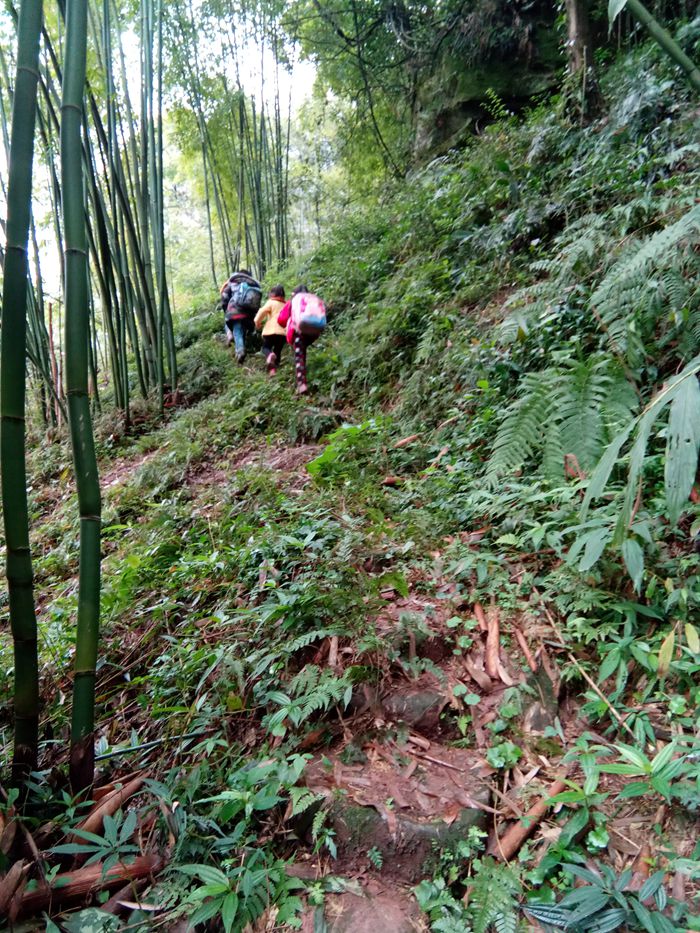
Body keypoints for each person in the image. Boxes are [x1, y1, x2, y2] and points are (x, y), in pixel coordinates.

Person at [278, 284, 326, 395]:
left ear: (294, 293)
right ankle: (303, 378)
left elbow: (282, 319)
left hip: (298, 331)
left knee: (299, 356)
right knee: (302, 352)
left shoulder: (293, 301)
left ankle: (302, 384)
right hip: (313, 333)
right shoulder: (313, 300)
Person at [219, 269, 262, 363]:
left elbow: (224, 296)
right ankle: (248, 345)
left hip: (235, 310)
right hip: (250, 313)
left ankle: (240, 350)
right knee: (243, 327)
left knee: (237, 329)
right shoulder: (253, 284)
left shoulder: (233, 282)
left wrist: (226, 309)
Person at [253, 285, 287, 376]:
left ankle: (270, 356)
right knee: (278, 351)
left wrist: (257, 323)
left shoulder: (271, 302)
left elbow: (261, 312)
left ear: (273, 294)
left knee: (266, 348)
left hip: (270, 331)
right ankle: (273, 370)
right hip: (282, 333)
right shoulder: (286, 305)